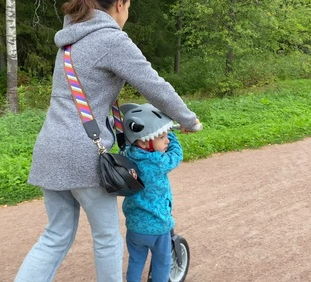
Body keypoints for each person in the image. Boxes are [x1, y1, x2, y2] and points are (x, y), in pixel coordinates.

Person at [14, 0, 202, 281]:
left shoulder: (70, 39)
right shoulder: (110, 39)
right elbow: (154, 85)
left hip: (49, 149)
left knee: (55, 236)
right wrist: (188, 120)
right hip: (84, 154)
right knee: (107, 239)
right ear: (120, 4)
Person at [120, 103, 184, 282]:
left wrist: (163, 132)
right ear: (143, 141)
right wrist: (173, 133)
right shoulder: (158, 162)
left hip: (135, 226)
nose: (167, 141)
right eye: (162, 136)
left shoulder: (127, 154)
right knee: (162, 263)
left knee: (136, 261)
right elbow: (177, 155)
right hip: (159, 227)